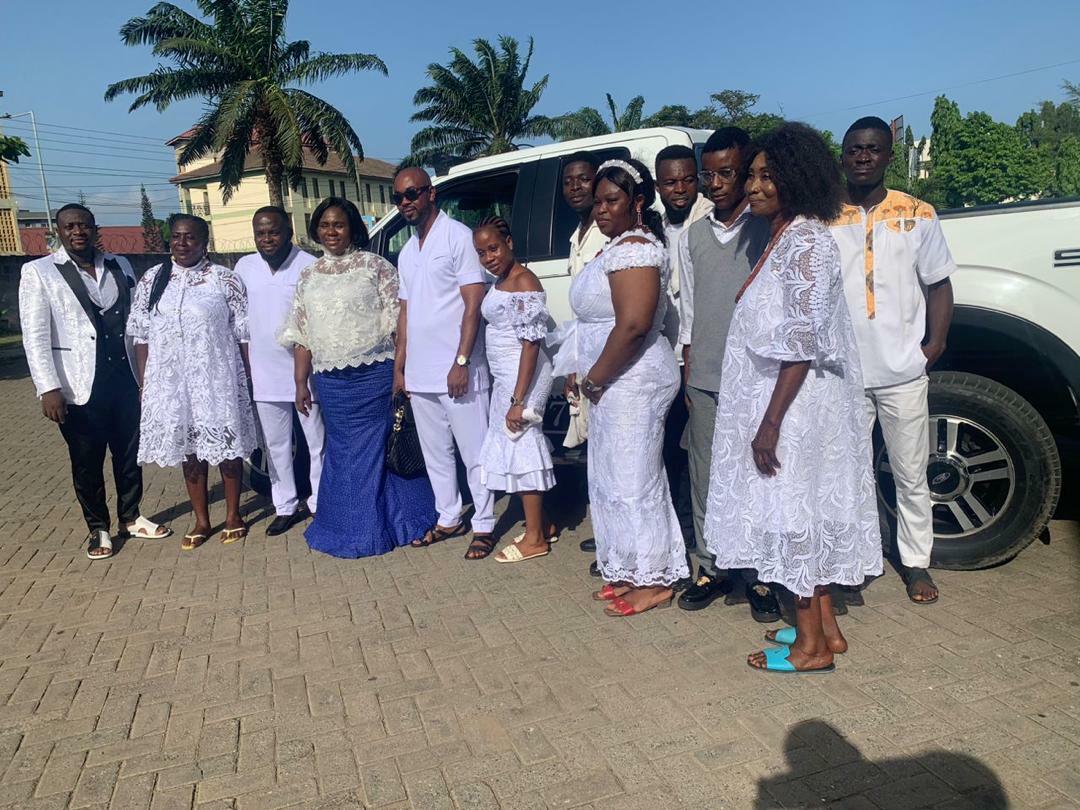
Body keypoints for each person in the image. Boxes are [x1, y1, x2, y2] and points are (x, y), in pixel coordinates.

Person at [703, 123, 883, 673]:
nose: (753, 186)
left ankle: (810, 650)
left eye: (767, 176)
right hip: (789, 402)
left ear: (797, 179)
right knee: (802, 513)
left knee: (792, 515)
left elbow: (802, 343)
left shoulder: (805, 241)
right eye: (752, 175)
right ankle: (826, 630)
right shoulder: (784, 236)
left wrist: (771, 423)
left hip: (795, 408)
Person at [832, 116, 956, 605]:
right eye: (854, 149)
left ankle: (916, 563)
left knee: (910, 472)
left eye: (873, 149)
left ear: (887, 155)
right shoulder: (823, 215)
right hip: (841, 374)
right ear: (843, 155)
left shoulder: (917, 213)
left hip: (902, 371)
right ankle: (853, 560)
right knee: (847, 475)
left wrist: (934, 345)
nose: (863, 157)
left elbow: (938, 284)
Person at [556, 157, 688, 616]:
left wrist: (595, 377)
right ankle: (628, 568)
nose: (601, 210)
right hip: (612, 380)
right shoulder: (616, 247)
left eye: (612, 200)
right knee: (611, 479)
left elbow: (633, 326)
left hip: (633, 380)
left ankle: (655, 579)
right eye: (597, 202)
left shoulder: (637, 250)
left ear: (637, 202)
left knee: (635, 482)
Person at [279, 197, 436, 558]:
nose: (331, 232)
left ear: (352, 228)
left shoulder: (375, 266)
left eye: (339, 224)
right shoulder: (309, 276)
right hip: (332, 383)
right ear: (316, 230)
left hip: (375, 376)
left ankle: (393, 522)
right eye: (324, 225)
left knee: (382, 448)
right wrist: (300, 383)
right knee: (343, 452)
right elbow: (302, 333)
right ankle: (346, 525)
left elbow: (400, 323)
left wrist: (401, 371)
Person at [19, 203, 170, 560]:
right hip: (77, 384)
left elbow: (137, 319)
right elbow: (35, 335)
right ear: (58, 231)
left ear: (94, 229)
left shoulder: (120, 264)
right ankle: (98, 527)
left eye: (84, 225)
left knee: (129, 453)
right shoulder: (39, 271)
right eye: (70, 226)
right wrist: (48, 387)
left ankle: (131, 517)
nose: (78, 231)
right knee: (87, 460)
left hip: (124, 378)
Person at [673, 129, 775, 618]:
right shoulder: (693, 236)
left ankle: (758, 574)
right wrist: (689, 369)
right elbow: (689, 311)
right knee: (706, 474)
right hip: (706, 377)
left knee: (756, 475)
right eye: (707, 174)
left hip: (756, 377)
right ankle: (711, 566)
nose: (714, 184)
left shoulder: (769, 228)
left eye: (726, 173)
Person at [128, 214, 257, 550]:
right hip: (172, 382)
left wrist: (248, 377)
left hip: (217, 378)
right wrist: (145, 383)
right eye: (176, 236)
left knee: (226, 446)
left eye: (190, 237)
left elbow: (243, 333)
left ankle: (233, 515)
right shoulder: (153, 279)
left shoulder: (224, 280)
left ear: (204, 242)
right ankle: (202, 520)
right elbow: (141, 335)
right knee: (189, 450)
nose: (182, 243)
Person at [391, 168, 496, 560]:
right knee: (435, 453)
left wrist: (462, 361)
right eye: (398, 197)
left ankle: (484, 523)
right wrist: (400, 367)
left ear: (431, 194)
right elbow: (406, 313)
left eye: (412, 193)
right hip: (420, 373)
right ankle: (448, 517)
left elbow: (473, 303)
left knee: (475, 452)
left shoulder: (458, 237)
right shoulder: (406, 251)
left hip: (458, 371)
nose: (406, 202)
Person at [472, 217, 558, 563]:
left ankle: (535, 539)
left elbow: (531, 345)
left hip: (523, 377)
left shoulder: (523, 281)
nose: (489, 258)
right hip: (506, 377)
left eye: (493, 248)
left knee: (522, 446)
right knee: (513, 447)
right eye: (481, 253)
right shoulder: (502, 280)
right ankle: (543, 524)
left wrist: (518, 400)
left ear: (509, 243)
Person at [234, 207, 323, 536]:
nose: (267, 238)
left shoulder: (309, 266)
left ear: (289, 232)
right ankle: (285, 505)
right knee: (276, 445)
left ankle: (320, 503)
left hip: (306, 372)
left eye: (273, 231)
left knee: (316, 443)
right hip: (264, 371)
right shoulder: (244, 267)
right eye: (260, 233)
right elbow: (240, 322)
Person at [654, 144, 714, 574]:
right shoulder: (654, 227)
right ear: (659, 187)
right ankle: (680, 531)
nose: (680, 189)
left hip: (703, 358)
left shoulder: (711, 220)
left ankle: (705, 536)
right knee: (670, 451)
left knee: (703, 455)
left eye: (688, 180)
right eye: (671, 182)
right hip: (665, 358)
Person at [559, 151, 607, 457]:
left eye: (584, 179)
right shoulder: (576, 236)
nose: (575, 187)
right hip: (584, 353)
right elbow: (577, 312)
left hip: (607, 355)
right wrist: (571, 366)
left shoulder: (608, 233)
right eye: (568, 182)